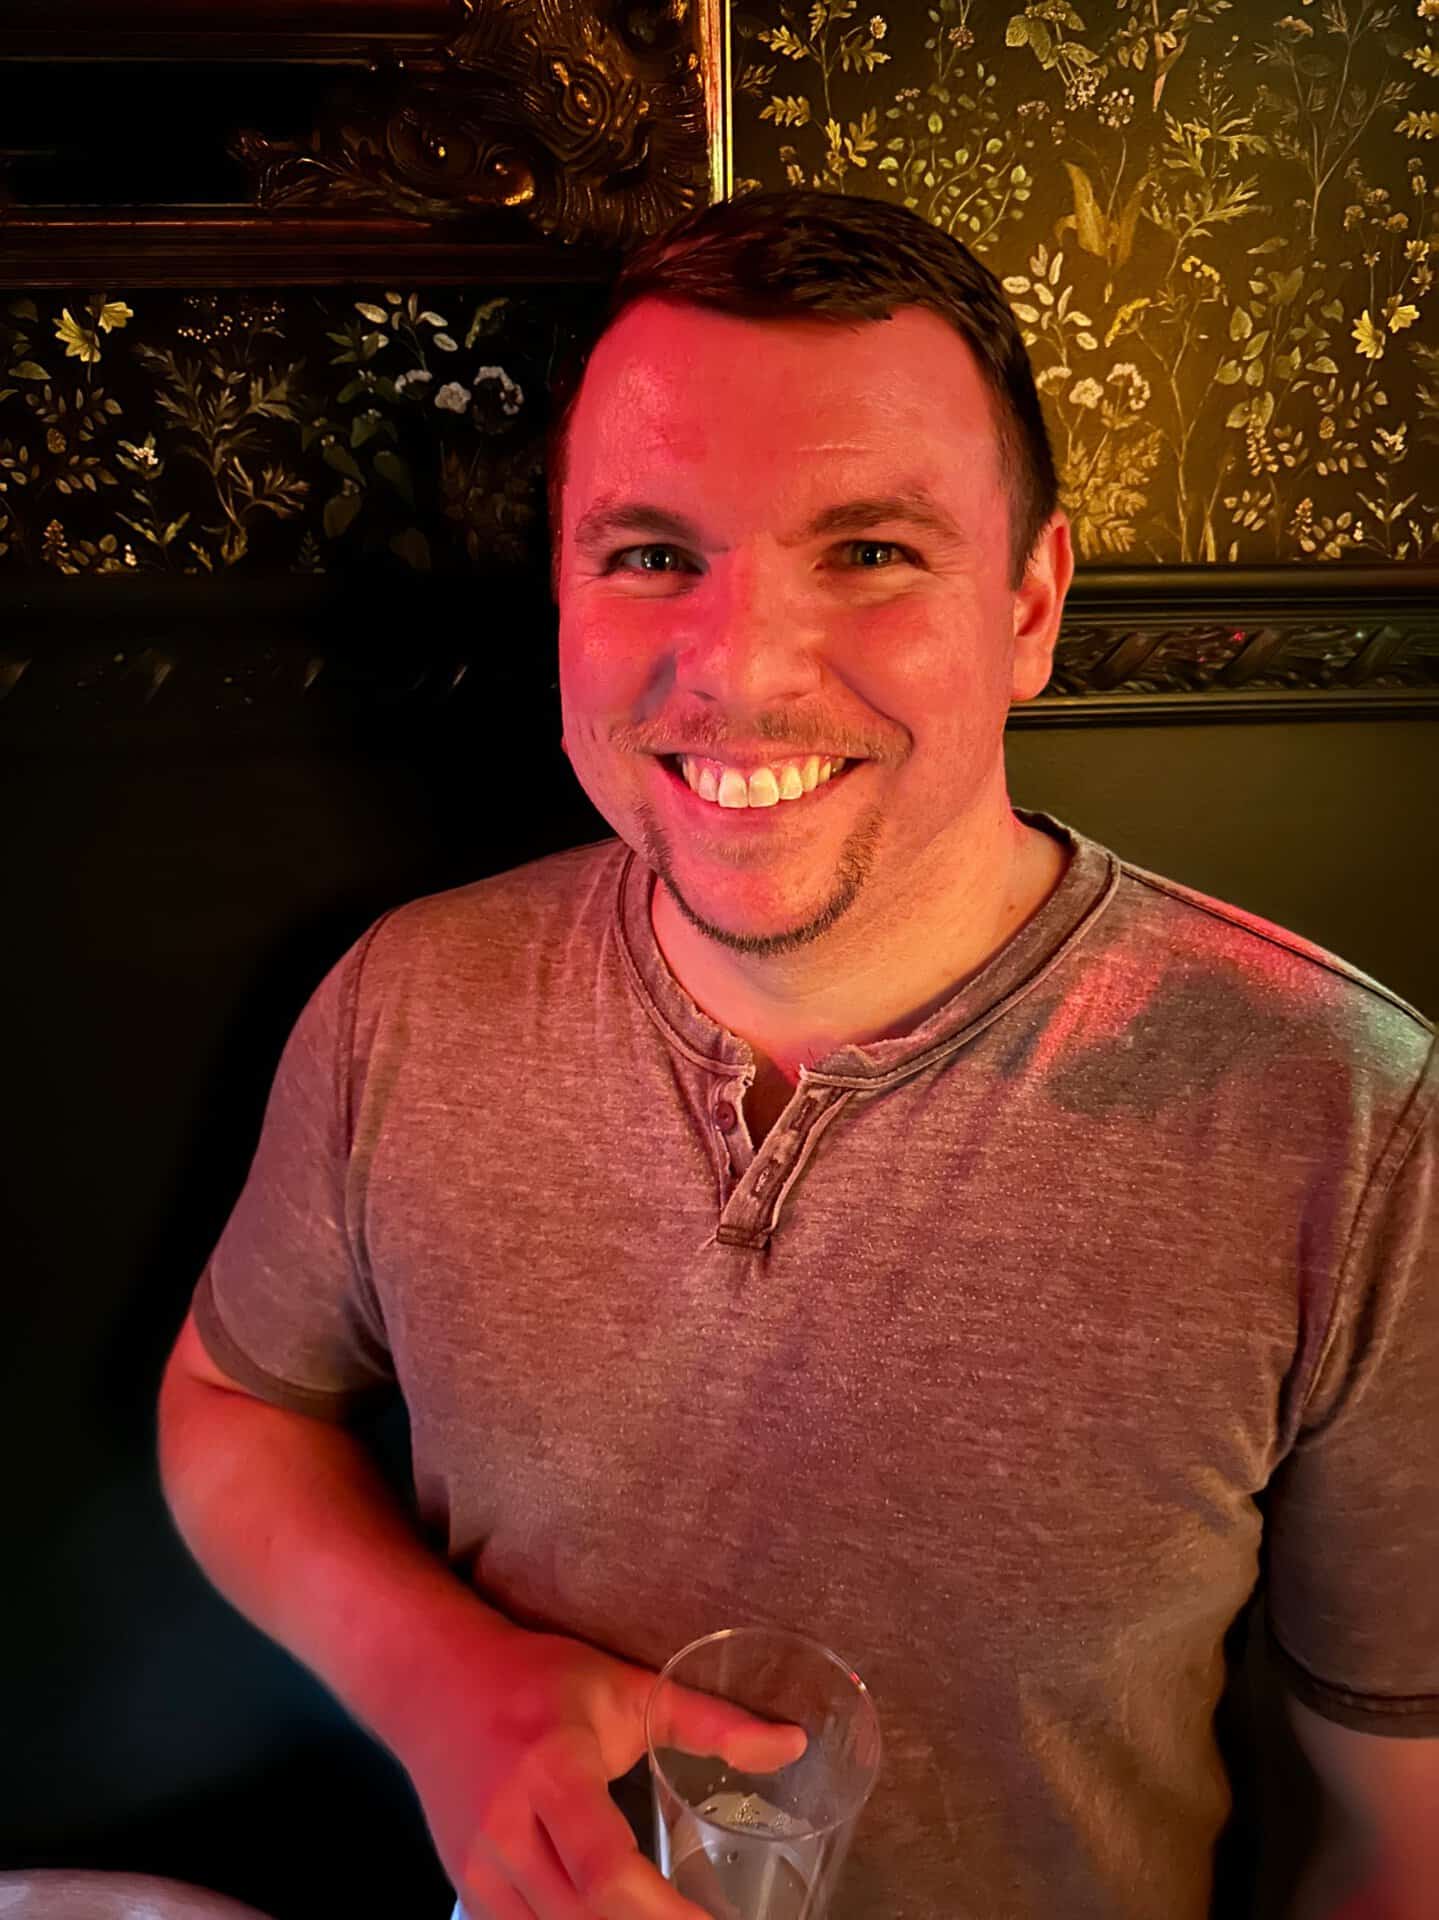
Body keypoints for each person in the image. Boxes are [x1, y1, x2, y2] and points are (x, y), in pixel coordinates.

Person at [157, 188, 1438, 1920]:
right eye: (653, 554)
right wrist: (439, 1685)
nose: (740, 670)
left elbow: (1400, 1832)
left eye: (871, 551)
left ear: (1034, 603)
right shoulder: (410, 1005)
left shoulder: (1349, 1115)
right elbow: (235, 1402)